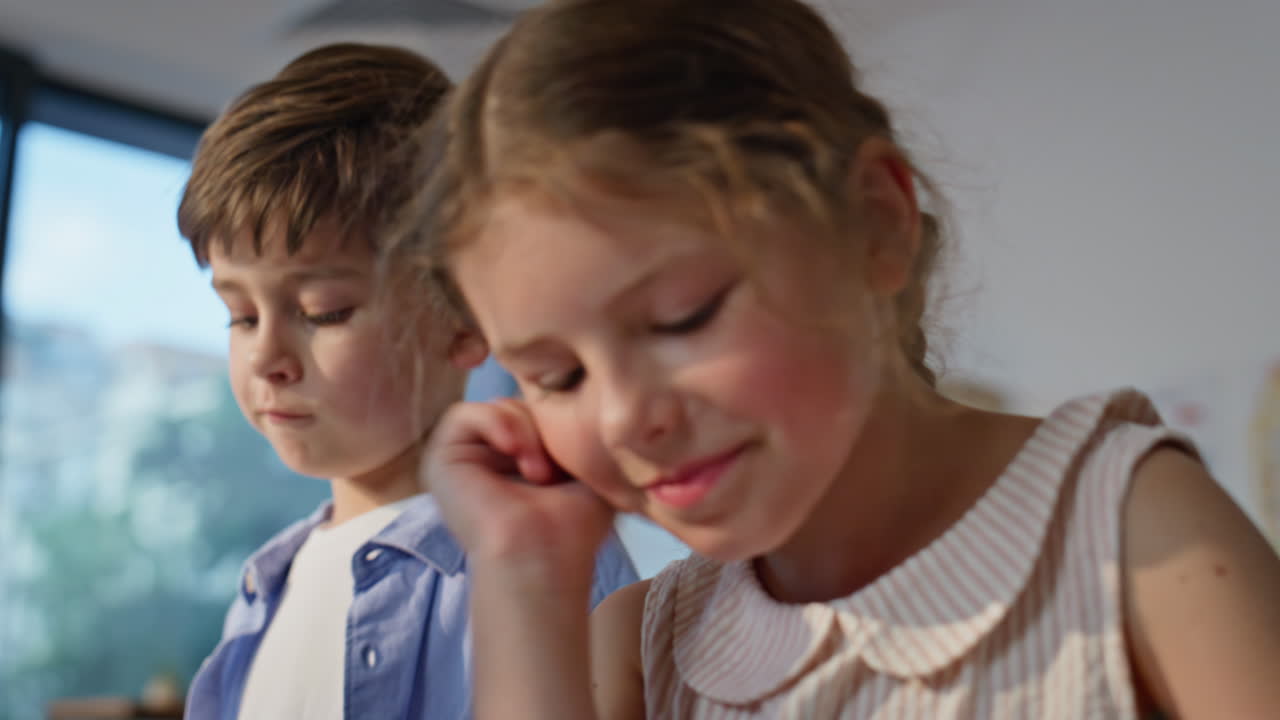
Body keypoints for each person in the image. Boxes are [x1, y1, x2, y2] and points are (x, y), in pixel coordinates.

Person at [400, 0, 1280, 717]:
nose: (626, 416)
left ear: (876, 224)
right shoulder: (640, 650)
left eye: (684, 317)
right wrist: (522, 575)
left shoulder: (1132, 534)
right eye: (557, 377)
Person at [176, 42, 638, 720]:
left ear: (470, 316)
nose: (267, 355)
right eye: (240, 316)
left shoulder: (541, 560)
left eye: (321, 311)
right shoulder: (264, 592)